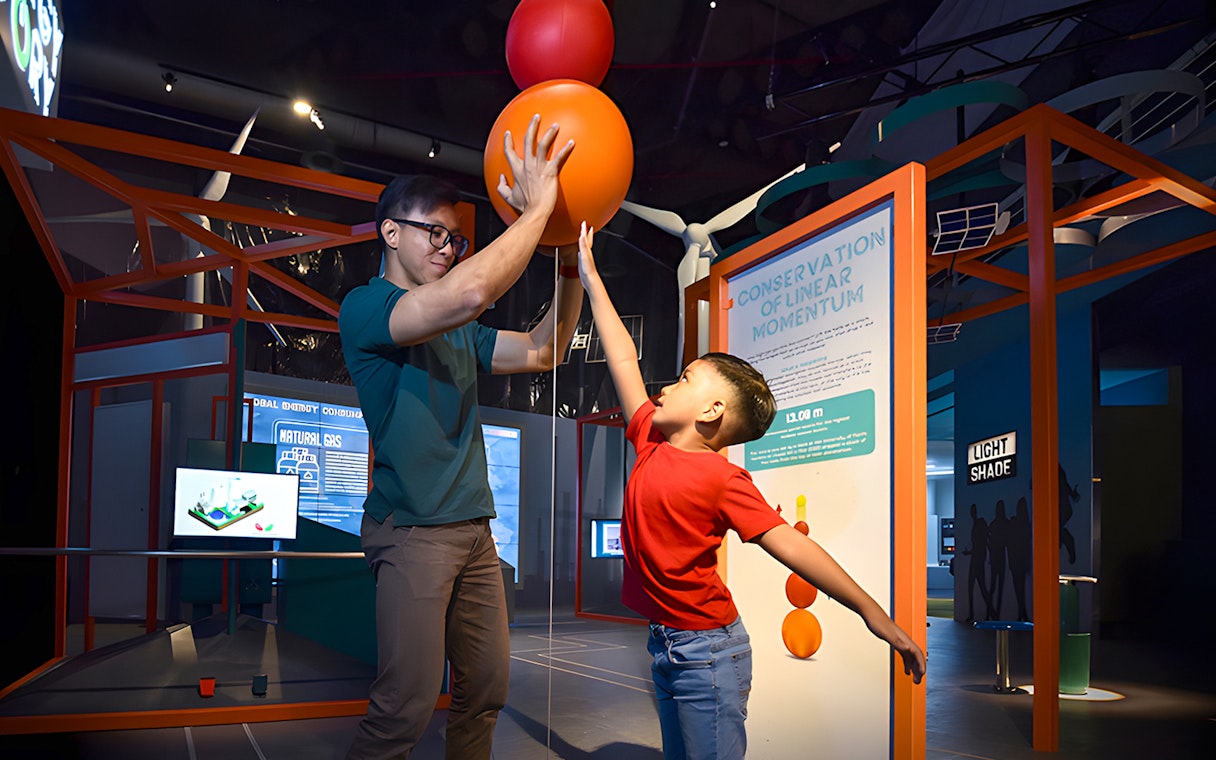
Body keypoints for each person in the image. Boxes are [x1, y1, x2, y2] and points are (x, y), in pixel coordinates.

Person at [574, 223, 926, 760]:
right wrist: (591, 277)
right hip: (666, 642)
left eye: (687, 379)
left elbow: (794, 546)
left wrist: (871, 613)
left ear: (714, 412)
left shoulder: (723, 479)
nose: (666, 386)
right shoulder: (650, 437)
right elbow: (623, 358)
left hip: (708, 653)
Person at [338, 115, 581, 760]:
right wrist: (538, 211)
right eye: (434, 232)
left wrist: (565, 259)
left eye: (457, 239)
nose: (449, 247)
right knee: (403, 709)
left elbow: (543, 350)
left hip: (475, 530)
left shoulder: (455, 329)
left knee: (486, 693)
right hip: (413, 532)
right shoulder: (366, 307)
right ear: (391, 232)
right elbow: (470, 292)